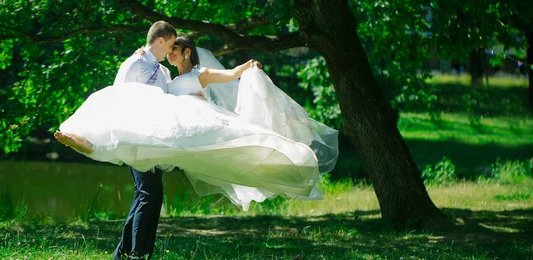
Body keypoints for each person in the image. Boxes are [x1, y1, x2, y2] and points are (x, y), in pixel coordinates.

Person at [56, 34, 338, 242]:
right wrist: (141, 55)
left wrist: (247, 66)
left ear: (187, 51)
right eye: (168, 50)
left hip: (198, 121)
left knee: (241, 140)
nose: (170, 54)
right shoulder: (166, 78)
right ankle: (93, 144)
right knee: (143, 170)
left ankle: (286, 158)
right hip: (173, 127)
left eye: (174, 49)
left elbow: (229, 74)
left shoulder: (199, 74)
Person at [56, 20, 176, 260]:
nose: (171, 51)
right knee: (150, 194)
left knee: (146, 194)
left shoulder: (164, 71)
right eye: (170, 45)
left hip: (156, 139)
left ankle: (122, 253)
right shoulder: (134, 63)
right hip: (136, 138)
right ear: (160, 40)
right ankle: (138, 254)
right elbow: (118, 98)